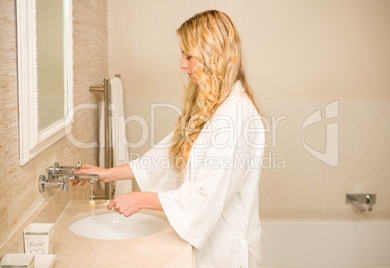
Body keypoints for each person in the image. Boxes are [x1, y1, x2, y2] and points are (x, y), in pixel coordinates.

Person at [76, 10, 265, 267]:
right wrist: (107, 174)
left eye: (189, 56)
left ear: (214, 56)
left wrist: (141, 199)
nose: (182, 65)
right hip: (207, 247)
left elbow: (206, 195)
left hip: (226, 253)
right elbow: (170, 154)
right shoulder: (213, 105)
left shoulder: (236, 114)